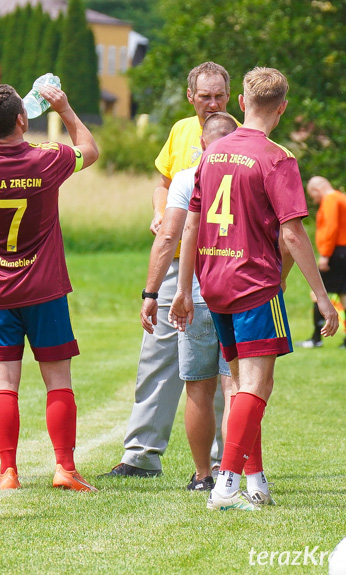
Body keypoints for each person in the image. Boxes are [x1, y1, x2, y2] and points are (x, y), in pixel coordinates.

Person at [169, 67, 339, 511]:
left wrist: (185, 288)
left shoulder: (212, 152)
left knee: (244, 385)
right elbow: (293, 236)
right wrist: (323, 298)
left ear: (241, 103)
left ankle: (255, 480)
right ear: (282, 108)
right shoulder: (278, 159)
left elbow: (191, 222)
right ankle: (226, 486)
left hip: (215, 283)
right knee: (255, 387)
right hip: (255, 286)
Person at [0, 84, 99, 491]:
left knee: (3, 383)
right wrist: (66, 108)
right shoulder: (46, 158)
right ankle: (65, 468)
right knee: (58, 379)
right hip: (45, 289)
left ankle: (8, 472)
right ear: (23, 119)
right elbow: (89, 150)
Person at [104, 61, 235, 479]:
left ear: (229, 97)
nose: (212, 103)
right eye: (205, 96)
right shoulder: (181, 131)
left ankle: (220, 459)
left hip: (221, 262)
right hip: (178, 260)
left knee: (215, 366)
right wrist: (161, 211)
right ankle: (141, 455)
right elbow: (163, 181)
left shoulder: (239, 133)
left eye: (219, 96)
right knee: (157, 356)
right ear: (190, 97)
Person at [139, 112, 238, 491]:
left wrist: (152, 293)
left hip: (196, 288)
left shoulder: (186, 177)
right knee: (235, 387)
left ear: (201, 145)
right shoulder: (253, 171)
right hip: (240, 289)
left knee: (198, 387)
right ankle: (233, 471)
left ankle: (203, 476)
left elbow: (168, 237)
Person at [300, 176, 346, 350]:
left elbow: (330, 227)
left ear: (317, 190)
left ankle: (316, 338)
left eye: (313, 195)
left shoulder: (330, 200)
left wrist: (325, 254)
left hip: (336, 252)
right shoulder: (344, 198)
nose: (314, 200)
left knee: (317, 293)